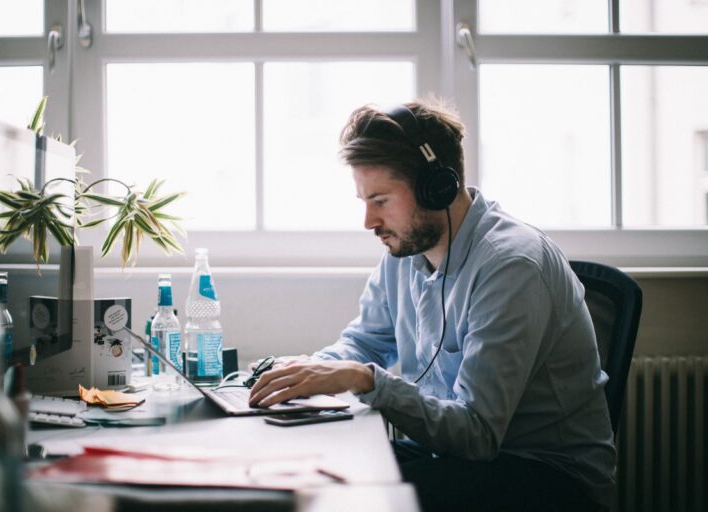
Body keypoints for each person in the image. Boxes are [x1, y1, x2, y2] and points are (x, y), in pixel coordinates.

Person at [249, 98, 615, 512]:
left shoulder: (511, 266)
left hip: (546, 478)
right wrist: (306, 372)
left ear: (436, 186)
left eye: (381, 200)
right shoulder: (405, 253)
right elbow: (364, 343)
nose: (369, 221)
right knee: (320, 472)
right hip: (456, 458)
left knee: (356, 500)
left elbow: (476, 434)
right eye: (364, 202)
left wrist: (366, 380)